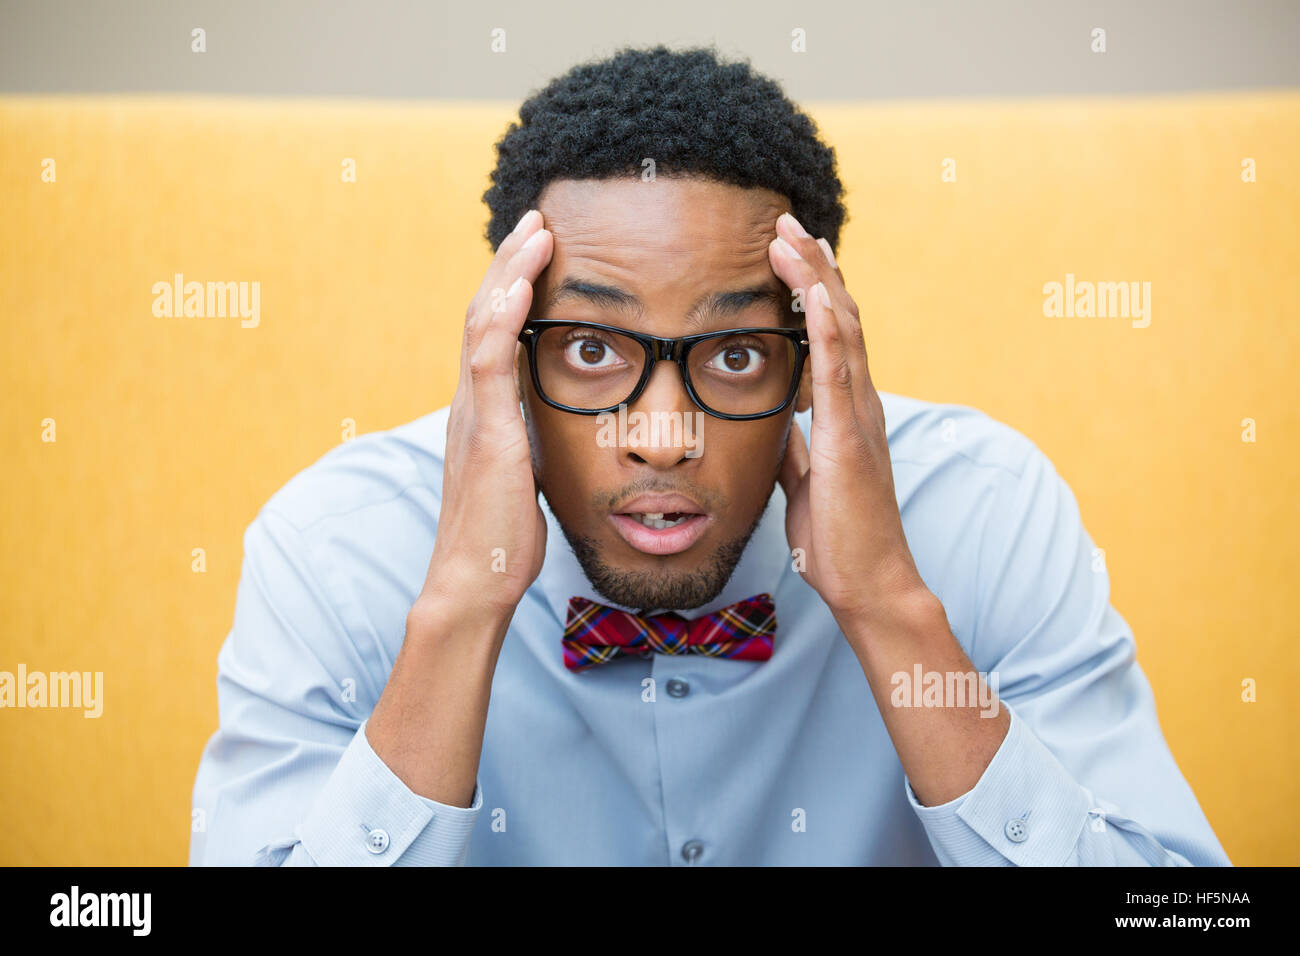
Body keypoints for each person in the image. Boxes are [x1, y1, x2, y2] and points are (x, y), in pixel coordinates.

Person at [188, 45, 1229, 866]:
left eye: (734, 354)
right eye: (590, 349)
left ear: (817, 354)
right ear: (503, 351)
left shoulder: (986, 512)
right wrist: (460, 605)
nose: (662, 436)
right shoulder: (334, 551)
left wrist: (888, 604)